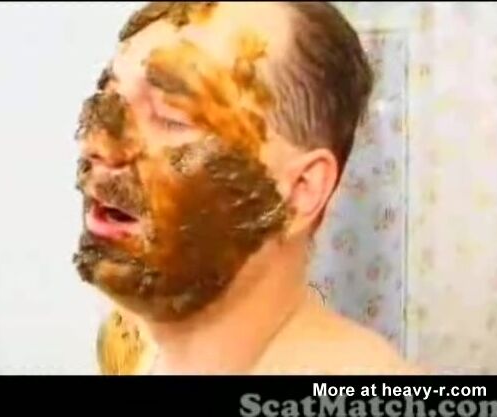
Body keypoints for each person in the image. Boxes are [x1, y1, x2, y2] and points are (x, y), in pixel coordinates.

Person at [73, 1, 420, 375]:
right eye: (109, 101)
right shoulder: (127, 343)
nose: (98, 144)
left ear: (301, 190)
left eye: (172, 116)